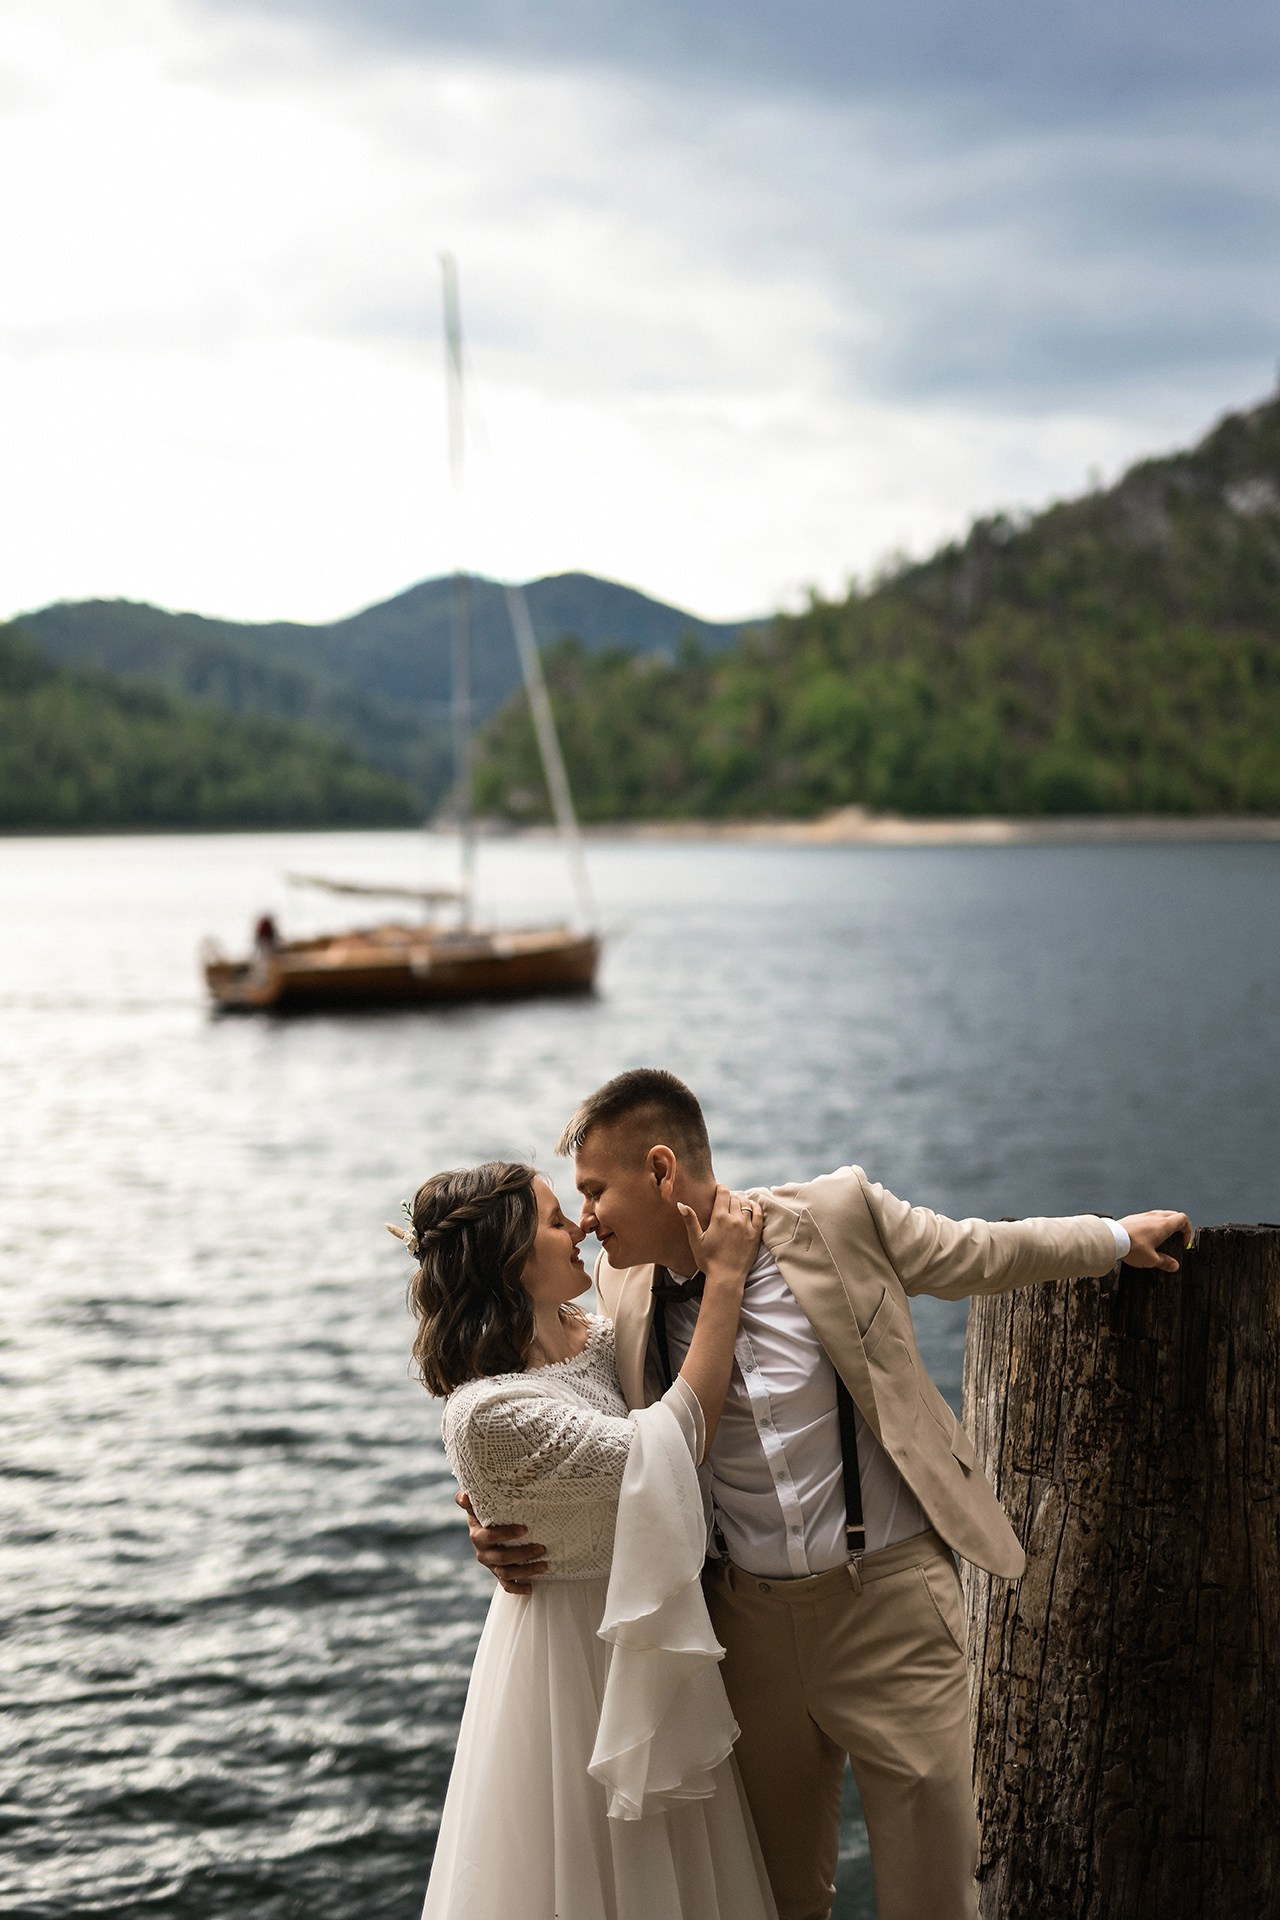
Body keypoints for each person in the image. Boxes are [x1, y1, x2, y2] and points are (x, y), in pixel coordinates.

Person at [461, 1069, 1193, 1920]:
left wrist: (1112, 1236)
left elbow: (978, 1252)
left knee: (934, 1893)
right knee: (772, 1899)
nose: (585, 1218)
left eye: (594, 1191)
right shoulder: (617, 1295)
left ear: (661, 1171)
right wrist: (500, 1521)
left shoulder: (834, 1216)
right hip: (740, 1629)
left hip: (889, 1603)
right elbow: (548, 1419)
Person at [394, 1158, 778, 1920]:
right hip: (569, 1663)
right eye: (552, 1219)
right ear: (509, 1256)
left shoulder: (596, 1332)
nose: (580, 1228)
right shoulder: (487, 1412)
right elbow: (669, 1445)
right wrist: (725, 1283)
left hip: (650, 1629)